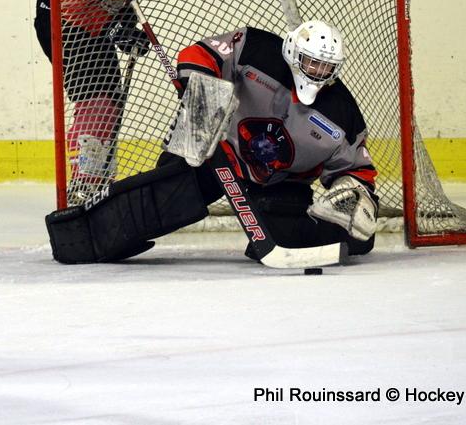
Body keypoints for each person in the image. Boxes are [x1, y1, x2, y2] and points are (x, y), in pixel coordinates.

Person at [46, 20, 380, 266]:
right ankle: (82, 234)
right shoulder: (256, 48)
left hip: (276, 183)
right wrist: (206, 92)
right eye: (312, 62)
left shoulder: (342, 114)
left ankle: (277, 230)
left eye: (326, 66)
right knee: (164, 198)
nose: (318, 71)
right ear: (294, 53)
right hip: (211, 148)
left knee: (354, 240)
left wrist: (352, 196)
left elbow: (357, 171)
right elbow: (199, 53)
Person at [33, 0, 150, 204]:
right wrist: (113, 27)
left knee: (110, 98)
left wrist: (126, 21)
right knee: (95, 99)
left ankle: (99, 177)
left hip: (97, 22)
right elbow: (73, 0)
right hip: (64, 21)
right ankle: (83, 182)